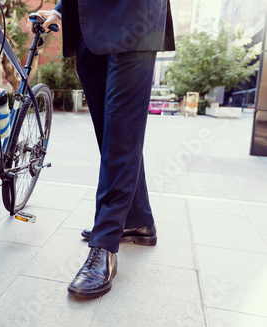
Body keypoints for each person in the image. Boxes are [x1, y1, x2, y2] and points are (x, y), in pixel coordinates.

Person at [34, 1, 175, 298]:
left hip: (133, 15)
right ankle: (138, 221)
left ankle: (104, 244)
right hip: (89, 25)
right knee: (112, 135)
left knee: (121, 135)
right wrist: (60, 9)